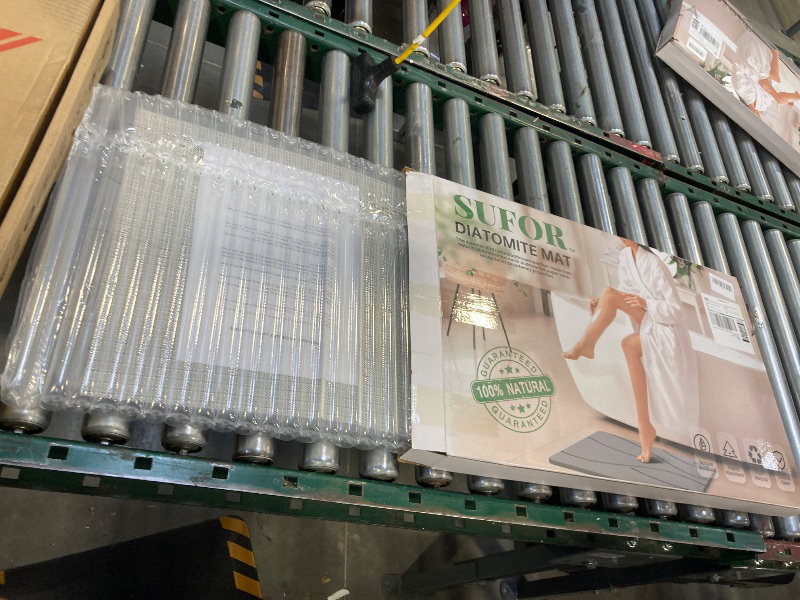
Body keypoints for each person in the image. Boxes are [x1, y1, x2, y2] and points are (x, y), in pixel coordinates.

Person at [563, 239, 699, 463]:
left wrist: (646, 302)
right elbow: (626, 292)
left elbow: (676, 310)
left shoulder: (655, 264)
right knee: (612, 302)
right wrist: (604, 301)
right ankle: (645, 427)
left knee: (628, 342)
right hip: (648, 320)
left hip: (667, 327)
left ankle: (586, 345)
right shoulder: (626, 256)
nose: (621, 238)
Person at [732, 31, 800, 117]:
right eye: (758, 117)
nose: (758, 116)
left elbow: (739, 65)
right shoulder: (762, 106)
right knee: (779, 93)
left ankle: (775, 56)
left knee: (773, 80)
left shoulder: (741, 89)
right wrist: (786, 101)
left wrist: (759, 78)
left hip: (749, 62)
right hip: (765, 80)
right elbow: (769, 94)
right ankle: (792, 96)